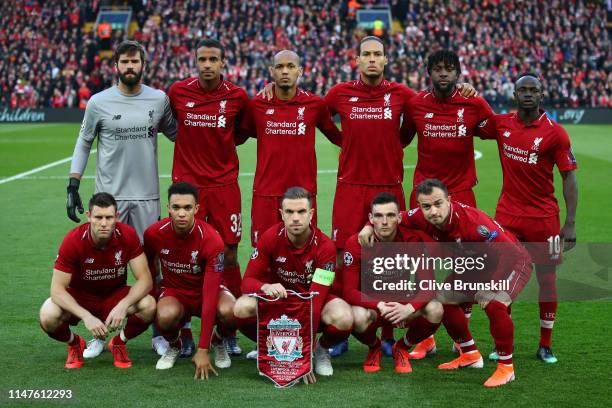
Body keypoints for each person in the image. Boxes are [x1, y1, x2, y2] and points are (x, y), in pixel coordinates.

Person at [359, 179, 533, 387]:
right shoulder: (420, 217)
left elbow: (511, 254)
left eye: (438, 204)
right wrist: (368, 226)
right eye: (426, 206)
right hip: (475, 264)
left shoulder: (474, 224)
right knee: (443, 299)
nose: (433, 211)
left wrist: (492, 287)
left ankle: (506, 368)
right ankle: (470, 355)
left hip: (513, 262)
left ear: (449, 200)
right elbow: (397, 218)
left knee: (495, 303)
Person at [66, 40, 177, 358]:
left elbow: (179, 134)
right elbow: (84, 142)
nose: (130, 67)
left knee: (153, 268)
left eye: (135, 62)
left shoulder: (159, 99)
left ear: (144, 64)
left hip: (146, 197)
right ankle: (99, 334)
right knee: (102, 269)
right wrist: (73, 184)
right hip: (108, 202)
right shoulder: (99, 102)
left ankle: (158, 333)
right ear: (115, 66)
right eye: (125, 62)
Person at [400, 50, 495, 358]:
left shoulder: (473, 103)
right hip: (426, 198)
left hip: (461, 196)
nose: (444, 73)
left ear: (458, 73)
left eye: (449, 69)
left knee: (464, 266)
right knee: (422, 265)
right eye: (438, 69)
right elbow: (400, 139)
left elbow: (495, 131)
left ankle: (460, 335)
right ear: (429, 72)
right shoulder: (416, 104)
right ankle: (426, 336)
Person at [477, 74, 578, 363]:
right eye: (523, 89)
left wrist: (569, 224)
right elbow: (473, 123)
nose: (529, 94)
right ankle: (502, 344)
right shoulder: (501, 124)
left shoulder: (555, 133)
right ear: (515, 94)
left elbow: (569, 177)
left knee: (548, 279)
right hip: (506, 218)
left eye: (534, 90)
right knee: (501, 278)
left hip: (546, 220)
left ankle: (545, 344)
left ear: (542, 95)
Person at [168, 38, 248, 356]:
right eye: (202, 59)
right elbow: (167, 125)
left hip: (225, 186)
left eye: (213, 59)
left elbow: (241, 132)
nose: (207, 64)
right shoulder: (178, 92)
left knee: (229, 254)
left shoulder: (237, 96)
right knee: (188, 258)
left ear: (223, 62)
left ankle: (230, 328)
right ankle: (185, 327)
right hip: (189, 188)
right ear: (195, 61)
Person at [233, 187, 353, 383]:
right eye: (289, 212)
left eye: (301, 212)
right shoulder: (270, 237)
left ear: (311, 214)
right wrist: (265, 287)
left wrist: (304, 357)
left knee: (344, 316)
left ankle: (321, 350)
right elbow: (247, 282)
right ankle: (270, 348)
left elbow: (314, 301)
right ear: (281, 214)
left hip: (312, 303)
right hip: (280, 303)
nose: (295, 218)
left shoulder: (326, 247)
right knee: (241, 307)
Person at [238, 49, 342, 247]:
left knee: (305, 251)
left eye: (290, 66)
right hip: (266, 194)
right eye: (279, 67)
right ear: (272, 71)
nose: (285, 71)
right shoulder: (258, 105)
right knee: (264, 252)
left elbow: (338, 137)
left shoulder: (314, 105)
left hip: (303, 194)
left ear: (300, 71)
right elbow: (236, 138)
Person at [39, 193, 155, 369]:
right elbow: (57, 290)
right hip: (81, 298)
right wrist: (86, 317)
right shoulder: (73, 240)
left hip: (114, 296)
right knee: (48, 315)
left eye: (109, 217)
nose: (103, 223)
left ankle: (118, 342)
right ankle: (74, 343)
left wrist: (123, 306)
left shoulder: (128, 235)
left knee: (149, 305)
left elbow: (145, 280)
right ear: (88, 216)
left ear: (116, 217)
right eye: (98, 217)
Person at [342, 192, 443, 373]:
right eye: (379, 216)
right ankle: (375, 347)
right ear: (370, 219)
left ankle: (402, 347)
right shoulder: (356, 242)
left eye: (390, 215)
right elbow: (349, 291)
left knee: (435, 309)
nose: (385, 221)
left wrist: (409, 308)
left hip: (401, 303)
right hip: (373, 305)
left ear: (399, 217)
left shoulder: (412, 240)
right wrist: (379, 304)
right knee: (355, 316)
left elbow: (428, 285)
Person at [144, 182, 236, 379]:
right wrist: (155, 294)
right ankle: (175, 345)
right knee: (164, 314)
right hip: (175, 292)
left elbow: (210, 296)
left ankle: (217, 342)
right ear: (168, 208)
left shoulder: (211, 240)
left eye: (187, 208)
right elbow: (151, 268)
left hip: (207, 291)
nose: (181, 214)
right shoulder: (153, 234)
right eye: (176, 207)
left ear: (196, 209)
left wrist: (203, 349)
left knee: (231, 310)